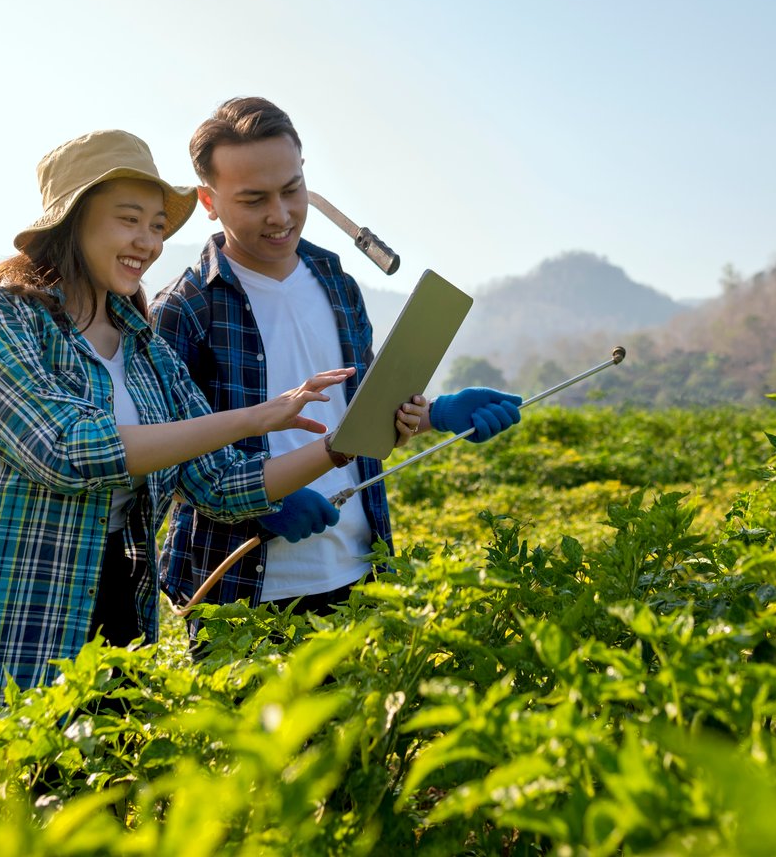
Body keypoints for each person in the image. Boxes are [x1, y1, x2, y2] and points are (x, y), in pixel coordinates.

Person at [0, 128, 364, 721]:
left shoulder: (148, 351)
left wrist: (340, 446)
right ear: (72, 221)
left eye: (157, 225)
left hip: (111, 610)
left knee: (83, 803)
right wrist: (253, 417)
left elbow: (222, 485)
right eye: (130, 220)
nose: (148, 242)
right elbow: (66, 449)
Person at [150, 97, 522, 635]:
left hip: (358, 570)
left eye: (291, 190)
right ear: (209, 200)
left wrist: (437, 414)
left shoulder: (337, 282)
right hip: (241, 589)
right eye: (254, 199)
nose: (279, 215)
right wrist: (260, 508)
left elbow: (364, 417)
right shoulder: (184, 311)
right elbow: (166, 460)